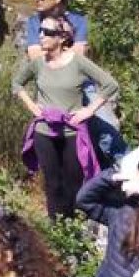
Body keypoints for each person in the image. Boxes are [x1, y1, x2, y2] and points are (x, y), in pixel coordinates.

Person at [14, 14, 121, 218]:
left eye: (48, 33)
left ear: (62, 38)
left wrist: (89, 111)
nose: (42, 36)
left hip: (72, 131)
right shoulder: (38, 64)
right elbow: (17, 84)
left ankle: (71, 229)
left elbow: (110, 85)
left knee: (73, 184)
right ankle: (56, 232)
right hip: (44, 131)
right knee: (52, 184)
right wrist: (33, 107)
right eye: (40, 32)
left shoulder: (78, 62)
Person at [19, 0, 125, 165]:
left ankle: (127, 171)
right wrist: (63, 50)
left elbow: (79, 56)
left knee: (109, 130)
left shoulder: (78, 20)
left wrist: (56, 53)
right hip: (52, 89)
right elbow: (36, 56)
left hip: (83, 87)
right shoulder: (34, 23)